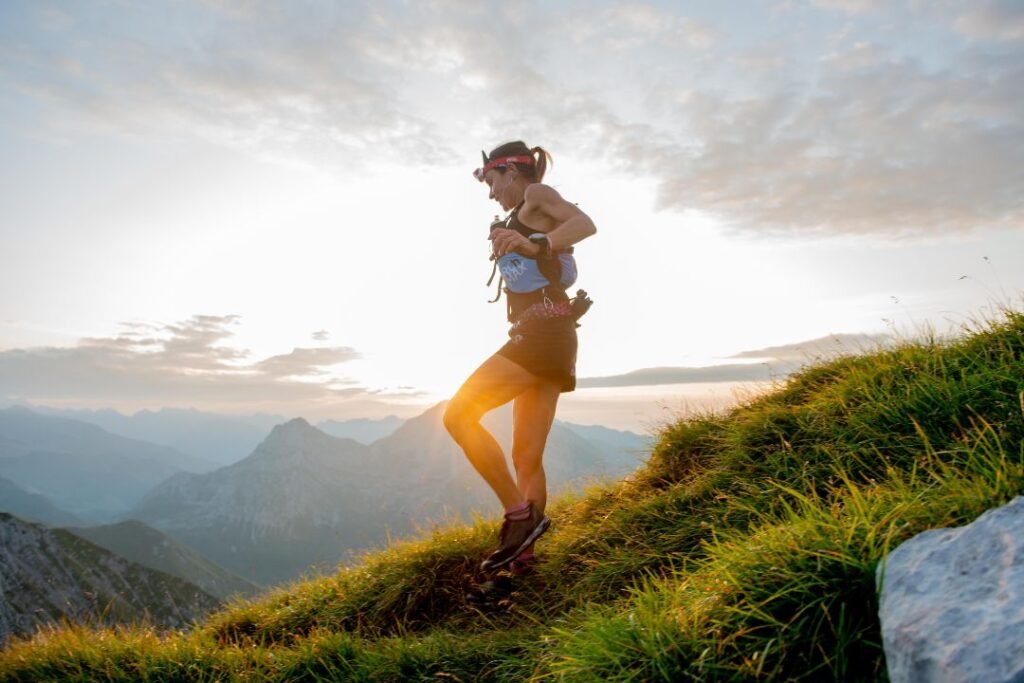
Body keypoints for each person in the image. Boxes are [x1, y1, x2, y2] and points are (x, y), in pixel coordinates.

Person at [443, 141, 597, 574]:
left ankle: (518, 516)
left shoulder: (536, 196)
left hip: (542, 335)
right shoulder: (515, 216)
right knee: (526, 457)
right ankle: (521, 563)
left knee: (457, 417)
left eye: (492, 182)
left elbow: (585, 224)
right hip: (554, 336)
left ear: (511, 172)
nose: (491, 193)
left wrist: (537, 245)